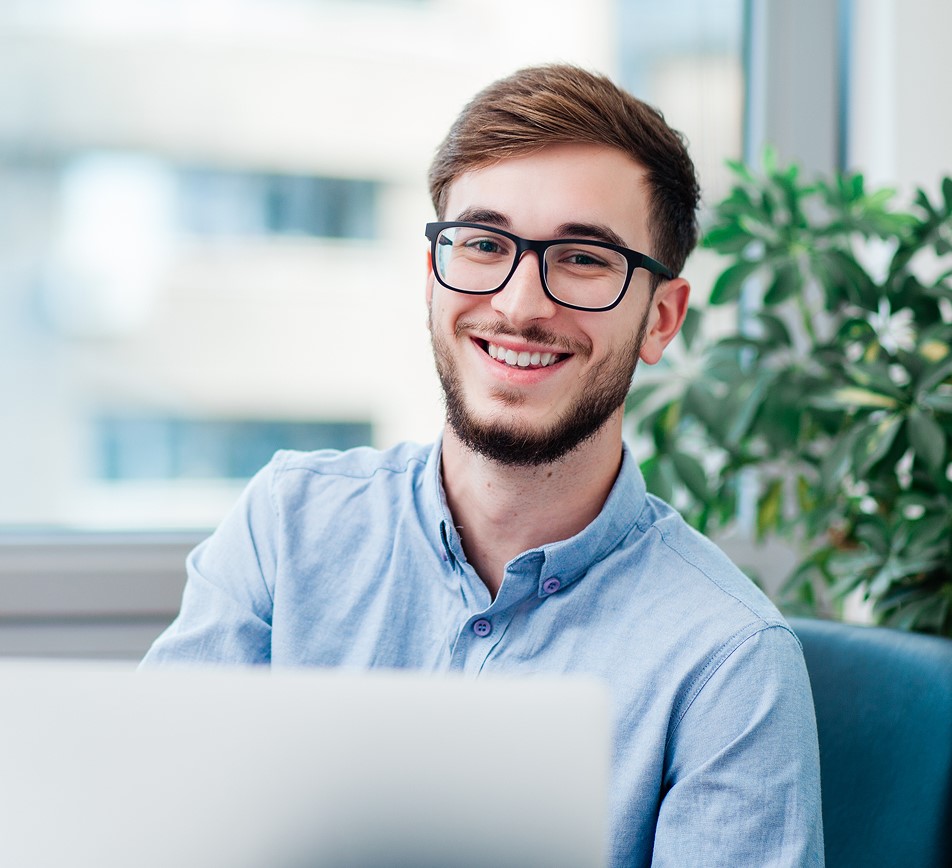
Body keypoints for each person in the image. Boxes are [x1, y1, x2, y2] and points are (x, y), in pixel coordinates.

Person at [142, 64, 824, 866]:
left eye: (582, 259)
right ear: (434, 275)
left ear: (661, 319)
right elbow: (150, 828)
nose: (519, 304)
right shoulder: (285, 530)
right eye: (483, 244)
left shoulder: (728, 661)